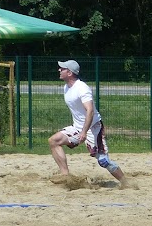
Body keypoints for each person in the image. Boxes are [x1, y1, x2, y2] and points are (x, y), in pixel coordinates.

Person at [48, 59, 127, 187]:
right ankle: (65, 176)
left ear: (70, 73)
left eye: (62, 69)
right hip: (78, 127)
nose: (59, 70)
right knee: (54, 141)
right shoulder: (66, 87)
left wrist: (84, 132)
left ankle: (126, 183)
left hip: (93, 128)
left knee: (103, 161)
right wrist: (81, 130)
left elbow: (90, 111)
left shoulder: (82, 88)